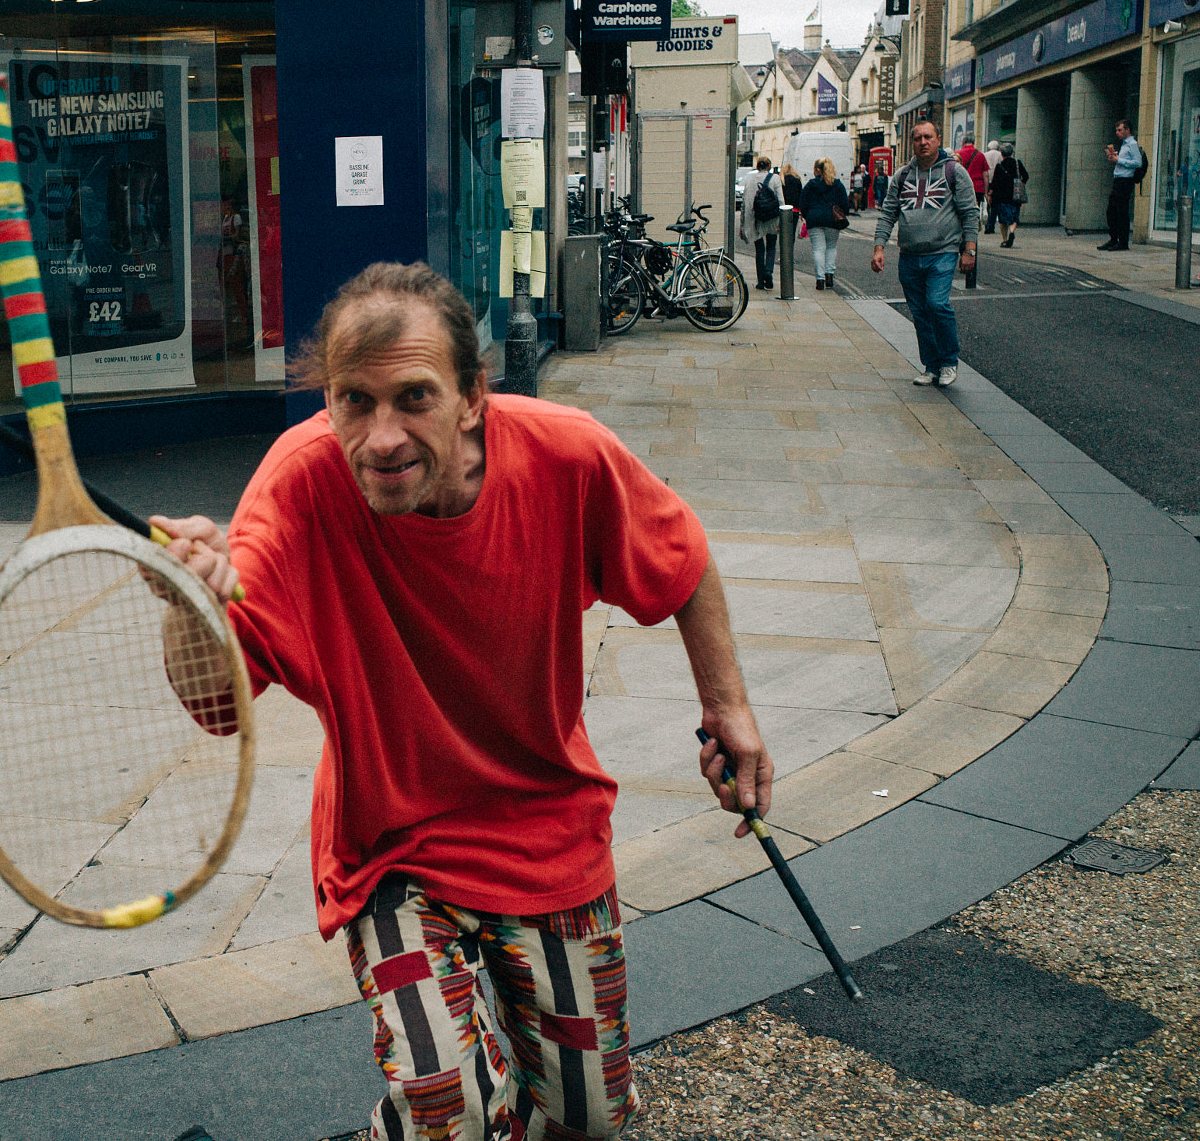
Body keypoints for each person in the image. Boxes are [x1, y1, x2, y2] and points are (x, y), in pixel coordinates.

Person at [152, 263, 772, 1141]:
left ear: (473, 395)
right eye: (352, 402)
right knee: (450, 1110)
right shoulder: (297, 484)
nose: (381, 435)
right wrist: (190, 605)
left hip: (546, 826)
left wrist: (730, 707)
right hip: (393, 843)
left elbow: (684, 558)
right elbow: (218, 702)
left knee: (587, 1119)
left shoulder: (568, 454)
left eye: (413, 397)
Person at [871, 120, 980, 387]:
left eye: (928, 137)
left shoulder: (955, 172)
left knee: (937, 304)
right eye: (918, 137)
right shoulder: (902, 176)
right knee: (919, 313)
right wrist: (879, 247)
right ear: (912, 142)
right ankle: (931, 366)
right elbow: (888, 214)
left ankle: (949, 362)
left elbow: (970, 213)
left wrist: (970, 250)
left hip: (942, 253)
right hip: (909, 256)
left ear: (938, 139)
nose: (923, 142)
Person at [796, 157, 851, 291]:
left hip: (814, 219)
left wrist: (806, 213)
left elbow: (803, 203)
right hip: (833, 220)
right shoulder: (837, 184)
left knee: (818, 249)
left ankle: (819, 279)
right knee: (831, 247)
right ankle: (829, 276)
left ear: (818, 170)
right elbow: (845, 204)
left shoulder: (810, 185)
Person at [1101, 119, 1144, 250]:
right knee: (1112, 211)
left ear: (1127, 130)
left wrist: (1119, 159)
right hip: (1118, 179)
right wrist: (1115, 157)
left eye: (1120, 130)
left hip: (1125, 181)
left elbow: (1138, 162)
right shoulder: (1124, 145)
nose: (1117, 133)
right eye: (1117, 130)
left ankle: (1123, 242)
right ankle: (1114, 238)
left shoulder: (1132, 144)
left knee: (1121, 211)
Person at [748, 155, 783, 291]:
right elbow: (780, 200)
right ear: (769, 166)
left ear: (758, 166)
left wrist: (745, 223)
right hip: (773, 218)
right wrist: (781, 220)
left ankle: (760, 282)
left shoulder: (751, 179)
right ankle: (768, 270)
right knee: (771, 246)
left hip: (757, 218)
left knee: (759, 249)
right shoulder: (775, 178)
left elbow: (747, 202)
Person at [991, 141, 1028, 248]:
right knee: (1014, 217)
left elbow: (995, 183)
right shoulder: (1017, 163)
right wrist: (1020, 184)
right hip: (1015, 195)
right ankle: (1012, 231)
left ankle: (1005, 240)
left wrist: (991, 194)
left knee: (1003, 220)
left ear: (1002, 153)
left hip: (1002, 196)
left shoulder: (1000, 166)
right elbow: (1025, 176)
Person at [981, 140, 1004, 237]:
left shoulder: (985, 155)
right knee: (995, 205)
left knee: (988, 203)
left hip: (987, 180)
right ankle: (991, 224)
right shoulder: (1000, 155)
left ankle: (988, 223)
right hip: (997, 181)